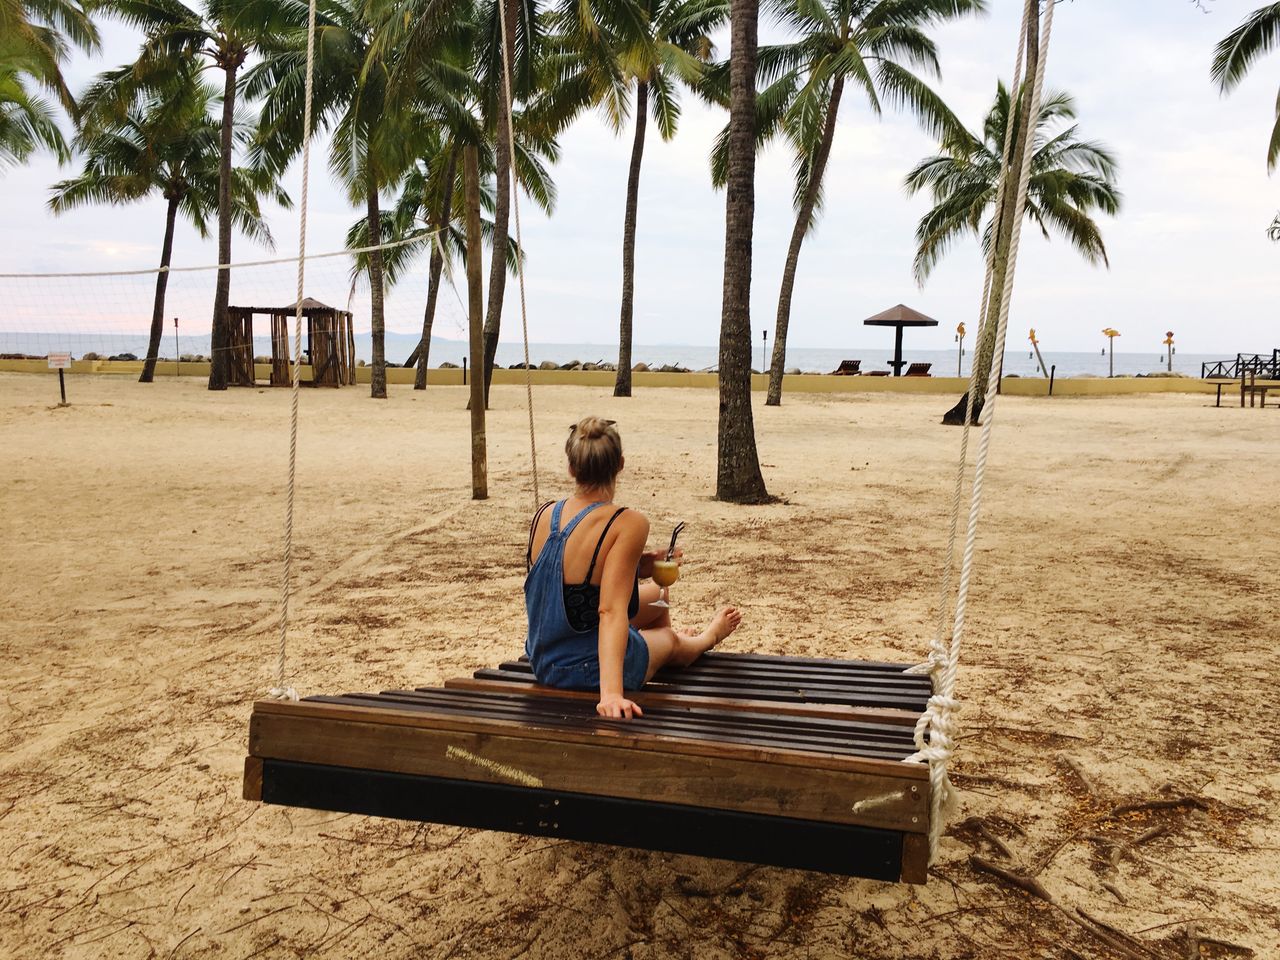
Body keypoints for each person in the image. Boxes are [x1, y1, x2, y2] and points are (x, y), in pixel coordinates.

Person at [524, 416, 741, 720]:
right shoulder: (627, 522)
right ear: (620, 464)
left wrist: (642, 567)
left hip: (544, 659)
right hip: (588, 670)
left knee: (659, 592)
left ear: (571, 468)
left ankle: (655, 640)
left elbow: (572, 579)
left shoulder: (545, 513)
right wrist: (611, 694)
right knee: (670, 641)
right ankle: (701, 639)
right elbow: (610, 610)